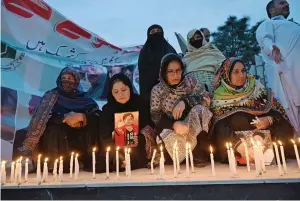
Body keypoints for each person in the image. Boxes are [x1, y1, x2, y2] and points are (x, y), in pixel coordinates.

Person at [211, 57, 295, 163]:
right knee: (234, 121)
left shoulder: (256, 87)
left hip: (266, 136)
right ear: (227, 75)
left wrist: (269, 119)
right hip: (238, 143)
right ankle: (244, 154)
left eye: (243, 71)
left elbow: (277, 112)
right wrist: (240, 147)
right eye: (235, 72)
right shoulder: (220, 96)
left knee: (283, 124)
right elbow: (219, 127)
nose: (241, 75)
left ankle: (271, 153)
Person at [16, 67, 101, 170]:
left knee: (91, 128)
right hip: (58, 131)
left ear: (76, 80)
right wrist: (64, 118)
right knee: (56, 130)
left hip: (81, 131)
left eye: (70, 78)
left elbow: (97, 116)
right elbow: (41, 118)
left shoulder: (85, 98)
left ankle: (88, 162)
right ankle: (57, 165)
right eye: (64, 78)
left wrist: (81, 117)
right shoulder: (51, 96)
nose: (66, 81)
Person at [151, 53, 212, 166]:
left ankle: (199, 152)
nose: (175, 75)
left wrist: (185, 101)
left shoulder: (189, 82)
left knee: (200, 110)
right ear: (164, 72)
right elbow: (155, 116)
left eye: (178, 70)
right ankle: (180, 155)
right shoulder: (157, 90)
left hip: (191, 126)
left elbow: (206, 98)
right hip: (171, 128)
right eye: (171, 71)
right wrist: (173, 125)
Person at [256, 0, 300, 136]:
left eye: (287, 3)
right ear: (272, 10)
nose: (287, 5)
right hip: (286, 71)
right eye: (282, 3)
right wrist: (272, 49)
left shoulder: (295, 25)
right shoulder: (268, 24)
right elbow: (265, 39)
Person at [98, 73, 156, 172]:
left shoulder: (140, 104)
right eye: (116, 92)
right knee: (107, 159)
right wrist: (117, 141)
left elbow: (149, 126)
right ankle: (121, 162)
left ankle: (131, 162)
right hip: (115, 146)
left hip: (138, 145)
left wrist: (139, 138)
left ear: (129, 88)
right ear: (111, 93)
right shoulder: (108, 110)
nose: (120, 95)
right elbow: (104, 136)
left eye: (124, 90)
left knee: (136, 151)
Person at [138, 24, 177, 106]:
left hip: (172, 92)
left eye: (158, 31)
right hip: (149, 94)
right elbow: (143, 75)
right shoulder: (144, 53)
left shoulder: (170, 50)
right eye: (153, 32)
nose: (156, 33)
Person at [183, 29, 225, 94]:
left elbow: (224, 67)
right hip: (193, 94)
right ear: (189, 41)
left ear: (202, 37)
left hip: (214, 89)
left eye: (198, 37)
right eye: (193, 39)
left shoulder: (212, 51)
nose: (196, 40)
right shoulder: (186, 57)